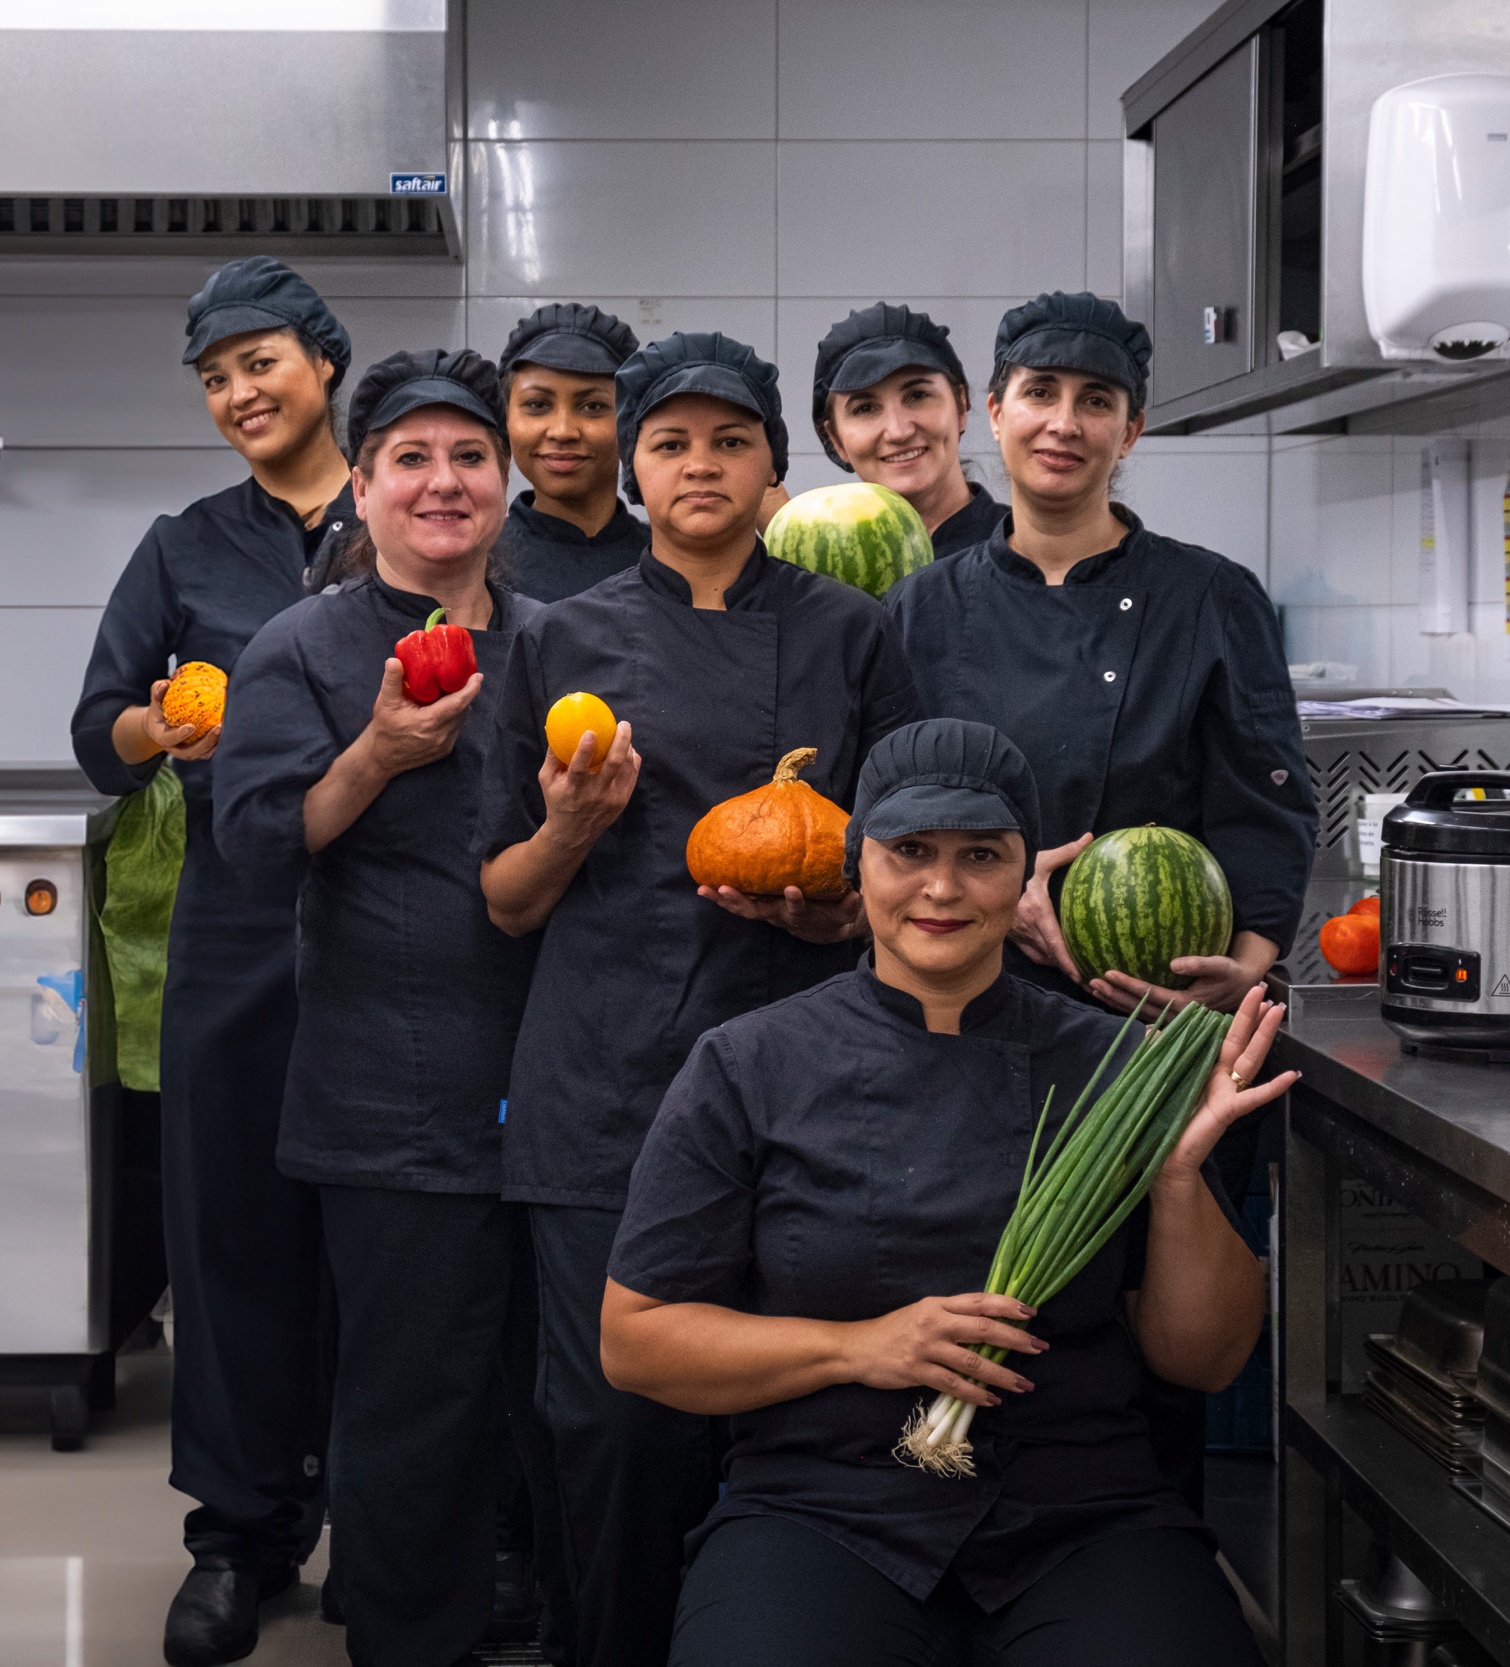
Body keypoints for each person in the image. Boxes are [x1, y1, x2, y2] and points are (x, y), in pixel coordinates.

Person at [602, 718, 1290, 1667]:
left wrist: (1174, 1173)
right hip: (822, 1504)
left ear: (1024, 878)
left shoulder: (1117, 1062)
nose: (942, 886)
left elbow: (1207, 1360)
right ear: (859, 867)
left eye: (981, 855)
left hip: (1082, 1507)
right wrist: (861, 1347)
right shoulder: (750, 1063)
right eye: (910, 851)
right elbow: (635, 1341)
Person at [477, 330, 922, 1666]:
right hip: (602, 1079)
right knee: (610, 1421)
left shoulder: (855, 634)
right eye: (671, 441)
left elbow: (899, 868)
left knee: (796, 1409)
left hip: (804, 1081)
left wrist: (831, 905)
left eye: (731, 439)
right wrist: (567, 825)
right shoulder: (558, 635)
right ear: (633, 465)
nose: (700, 463)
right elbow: (501, 895)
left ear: (775, 465)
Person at [215, 349, 552, 1667]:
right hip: (390, 1092)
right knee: (415, 1402)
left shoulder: (560, 639)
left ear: (506, 482)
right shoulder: (301, 647)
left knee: (542, 1393)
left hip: (562, 1083)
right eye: (408, 457)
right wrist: (377, 753)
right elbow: (253, 844)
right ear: (359, 487)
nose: (442, 480)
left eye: (468, 454)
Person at [69, 255, 355, 1666]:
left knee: (385, 1236)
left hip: (395, 926)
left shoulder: (415, 502)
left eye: (262, 361)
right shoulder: (185, 545)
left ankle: (381, 1513)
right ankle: (239, 1530)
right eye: (216, 377)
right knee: (230, 1230)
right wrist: (155, 733)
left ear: (323, 363)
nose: (241, 392)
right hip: (236, 918)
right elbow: (95, 722)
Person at [886, 292, 1315, 1022]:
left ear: (1131, 430)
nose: (1064, 424)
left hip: (1149, 1016)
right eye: (1040, 393)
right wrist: (998, 888)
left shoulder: (1211, 597)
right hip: (957, 1005)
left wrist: (1242, 967)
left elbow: (1264, 802)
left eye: (1096, 400)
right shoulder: (918, 607)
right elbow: (886, 816)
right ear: (994, 412)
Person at [812, 303, 1005, 558]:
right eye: (865, 408)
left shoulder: (1027, 552)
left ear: (961, 406)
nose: (898, 431)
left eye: (918, 395)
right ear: (835, 440)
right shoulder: (821, 577)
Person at [495, 303, 647, 602]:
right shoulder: (475, 566)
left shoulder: (669, 564)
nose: (563, 431)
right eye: (538, 405)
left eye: (593, 406)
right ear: (505, 421)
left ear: (630, 422)